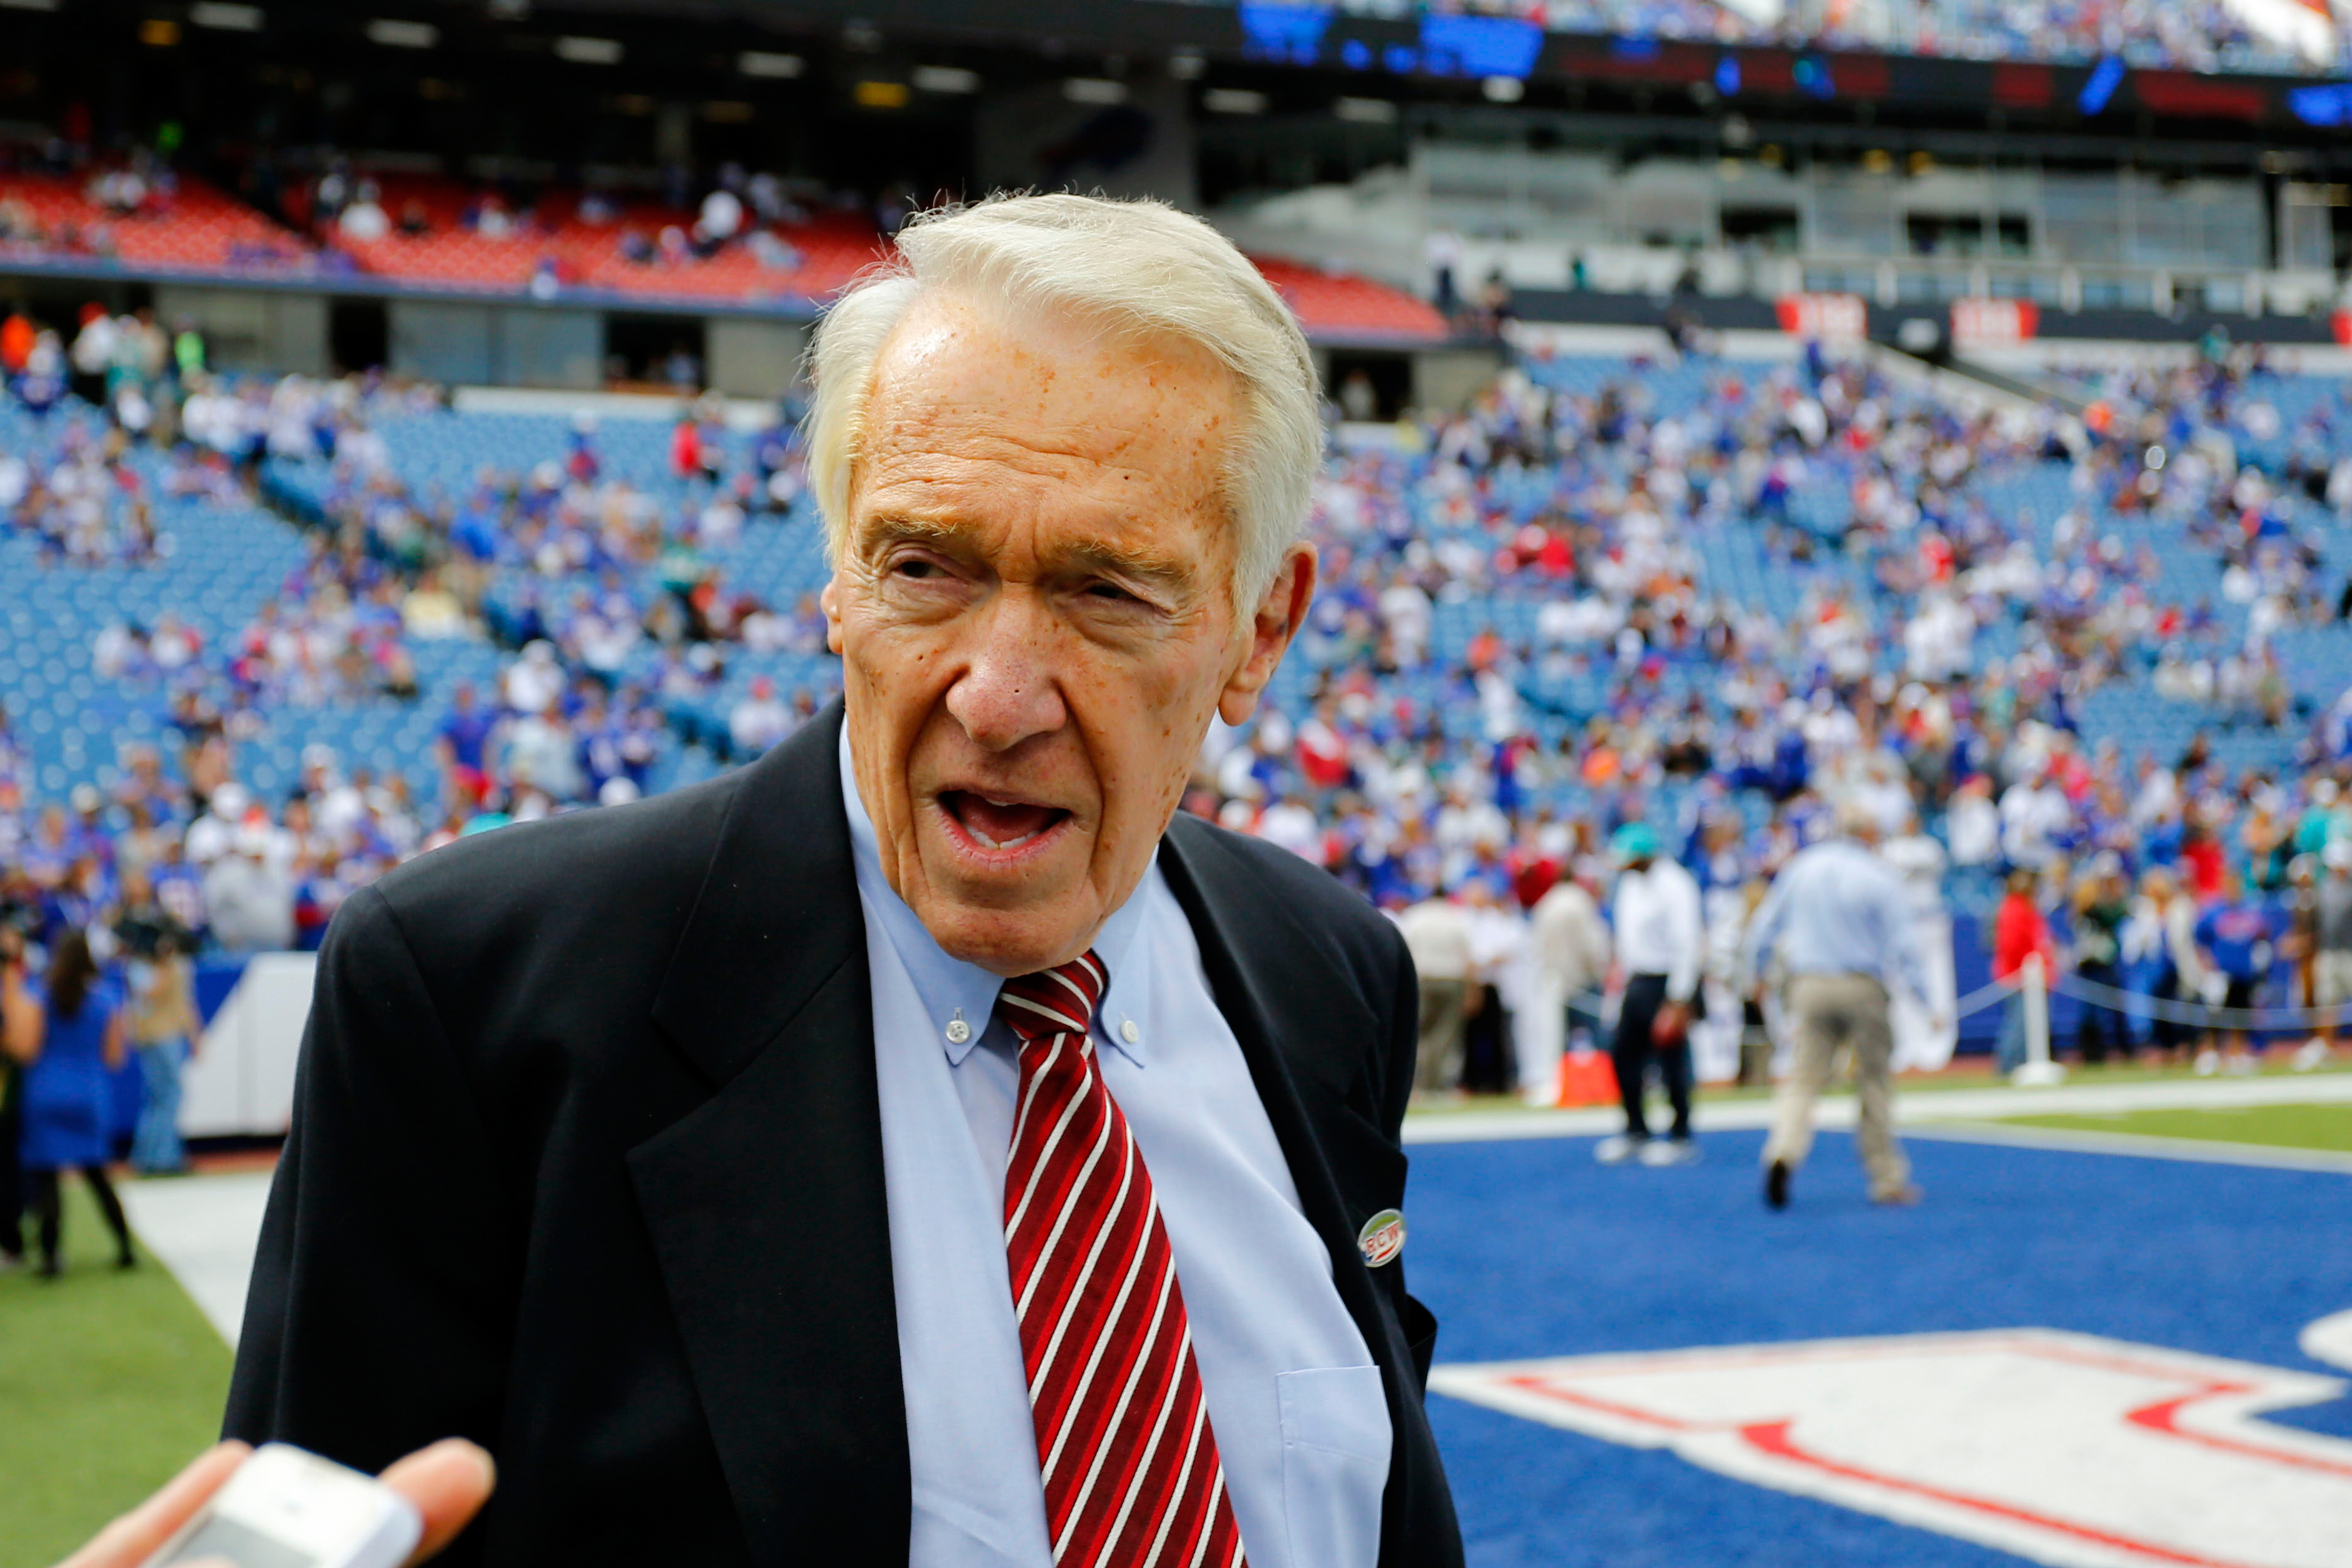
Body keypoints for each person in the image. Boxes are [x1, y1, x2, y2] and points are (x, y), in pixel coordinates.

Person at [225, 195, 1463, 1567]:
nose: (997, 700)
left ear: (1259, 628)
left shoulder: (1331, 970)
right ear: (834, 576)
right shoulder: (476, 999)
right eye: (924, 568)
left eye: (1107, 592)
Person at [1741, 802, 1937, 1209]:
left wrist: (1754, 975)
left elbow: (1763, 927)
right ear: (1867, 834)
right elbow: (1904, 948)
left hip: (1809, 984)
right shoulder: (1878, 875)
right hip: (1861, 985)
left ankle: (1782, 1150)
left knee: (1803, 1079)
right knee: (1874, 1083)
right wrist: (1927, 1002)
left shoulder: (1802, 867)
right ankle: (1885, 1178)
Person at [2, 929, 135, 1277]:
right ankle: (124, 1247)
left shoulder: (39, 996)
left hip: (44, 1094)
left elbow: (24, 1049)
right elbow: (114, 1056)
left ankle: (51, 1257)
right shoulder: (106, 999)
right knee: (97, 1175)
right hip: (89, 1095)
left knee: (46, 1179)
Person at [1596, 821, 1704, 1166]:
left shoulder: (1676, 885)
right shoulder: (1629, 884)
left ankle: (1681, 1135)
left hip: (1668, 981)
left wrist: (1678, 999)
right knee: (1623, 1054)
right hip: (1638, 980)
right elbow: (1627, 936)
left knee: (1672, 1061)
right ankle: (1636, 1129)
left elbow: (1688, 944)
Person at [1523, 861, 1610, 1104]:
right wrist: (1598, 972)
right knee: (1599, 1038)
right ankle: (1606, 1085)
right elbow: (1592, 944)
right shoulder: (1579, 903)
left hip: (1554, 982)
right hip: (1580, 982)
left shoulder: (1545, 904)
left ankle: (1562, 1087)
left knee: (1557, 1042)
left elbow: (1536, 946)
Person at [125, 931, 200, 1174]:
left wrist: (194, 1033)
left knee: (162, 1096)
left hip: (169, 1032)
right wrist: (162, 964)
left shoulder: (176, 964)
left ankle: (154, 1155)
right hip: (157, 1035)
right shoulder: (142, 966)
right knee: (164, 1096)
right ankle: (159, 1159)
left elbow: (184, 1002)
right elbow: (152, 993)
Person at [2194, 869, 2278, 1075]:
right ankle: (2212, 1052)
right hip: (2220, 972)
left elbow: (2263, 934)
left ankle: (2238, 1052)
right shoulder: (2213, 911)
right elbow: (2199, 939)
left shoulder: (2250, 910)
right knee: (2215, 1013)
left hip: (2244, 971)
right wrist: (2206, 963)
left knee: (2241, 1013)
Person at [1398, 889, 1474, 1101]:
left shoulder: (1415, 916)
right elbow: (1468, 956)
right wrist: (1472, 991)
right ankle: (1438, 1084)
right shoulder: (1456, 917)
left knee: (1418, 1034)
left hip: (1423, 979)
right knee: (1446, 1034)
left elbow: (1404, 951)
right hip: (1451, 979)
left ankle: (1418, 1084)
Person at [1991, 867, 2056, 1076]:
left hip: (2029, 976)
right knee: (2019, 1026)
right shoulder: (2015, 908)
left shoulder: (2027, 908)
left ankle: (2017, 1064)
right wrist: (2028, 969)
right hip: (2020, 977)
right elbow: (2013, 946)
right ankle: (2008, 1067)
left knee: (2027, 1025)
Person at [2306, 840, 2352, 1069]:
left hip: (2349, 952)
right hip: (2329, 952)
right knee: (2326, 1002)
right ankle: (2326, 1046)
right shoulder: (2324, 889)